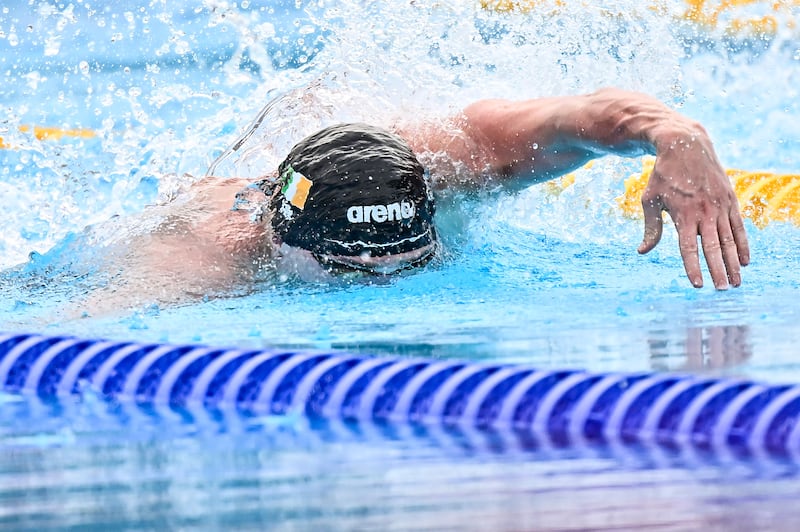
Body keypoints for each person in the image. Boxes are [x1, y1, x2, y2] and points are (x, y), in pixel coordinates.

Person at [69, 87, 749, 316]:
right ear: (284, 242)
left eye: (411, 261)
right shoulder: (203, 263)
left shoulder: (462, 161)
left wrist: (678, 135)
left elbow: (588, 114)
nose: (385, 284)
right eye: (353, 272)